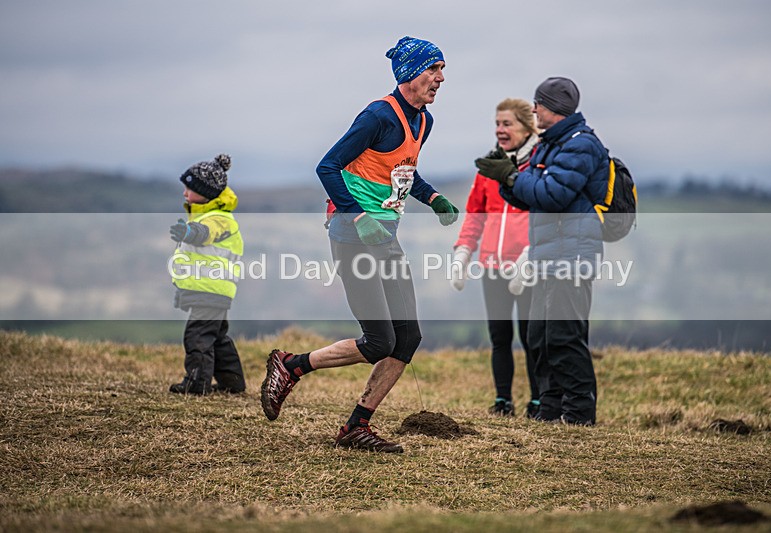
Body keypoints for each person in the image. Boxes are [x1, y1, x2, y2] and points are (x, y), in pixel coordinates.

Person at [260, 36, 458, 453]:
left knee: (408, 338)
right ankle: (291, 366)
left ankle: (355, 427)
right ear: (409, 73)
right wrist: (357, 215)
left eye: (442, 71)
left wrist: (433, 197)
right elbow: (327, 166)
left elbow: (401, 172)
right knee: (378, 342)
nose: (440, 78)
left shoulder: (423, 121)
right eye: (432, 69)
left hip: (385, 239)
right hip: (353, 237)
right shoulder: (376, 116)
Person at [475, 77, 607, 425]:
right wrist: (507, 178)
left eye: (539, 104)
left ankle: (578, 415)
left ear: (556, 108)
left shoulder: (581, 145)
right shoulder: (550, 145)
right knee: (540, 337)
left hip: (572, 255)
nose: (534, 110)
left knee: (565, 336)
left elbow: (553, 195)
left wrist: (513, 177)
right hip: (548, 255)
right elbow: (531, 196)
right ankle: (549, 413)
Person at [451, 98, 540, 418]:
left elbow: (545, 214)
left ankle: (539, 399)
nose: (500, 130)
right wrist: (463, 251)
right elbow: (475, 214)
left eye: (508, 124)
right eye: (497, 124)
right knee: (500, 337)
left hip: (528, 266)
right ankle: (503, 400)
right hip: (492, 266)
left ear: (526, 127)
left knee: (533, 337)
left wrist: (532, 255)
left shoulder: (539, 167)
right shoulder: (490, 166)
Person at [168, 154, 246, 396]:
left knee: (198, 336)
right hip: (211, 290)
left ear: (205, 191)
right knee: (217, 338)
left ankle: (196, 383)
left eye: (189, 188)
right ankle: (232, 383)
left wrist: (188, 232)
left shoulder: (220, 219)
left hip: (211, 289)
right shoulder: (206, 215)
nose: (184, 193)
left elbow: (205, 233)